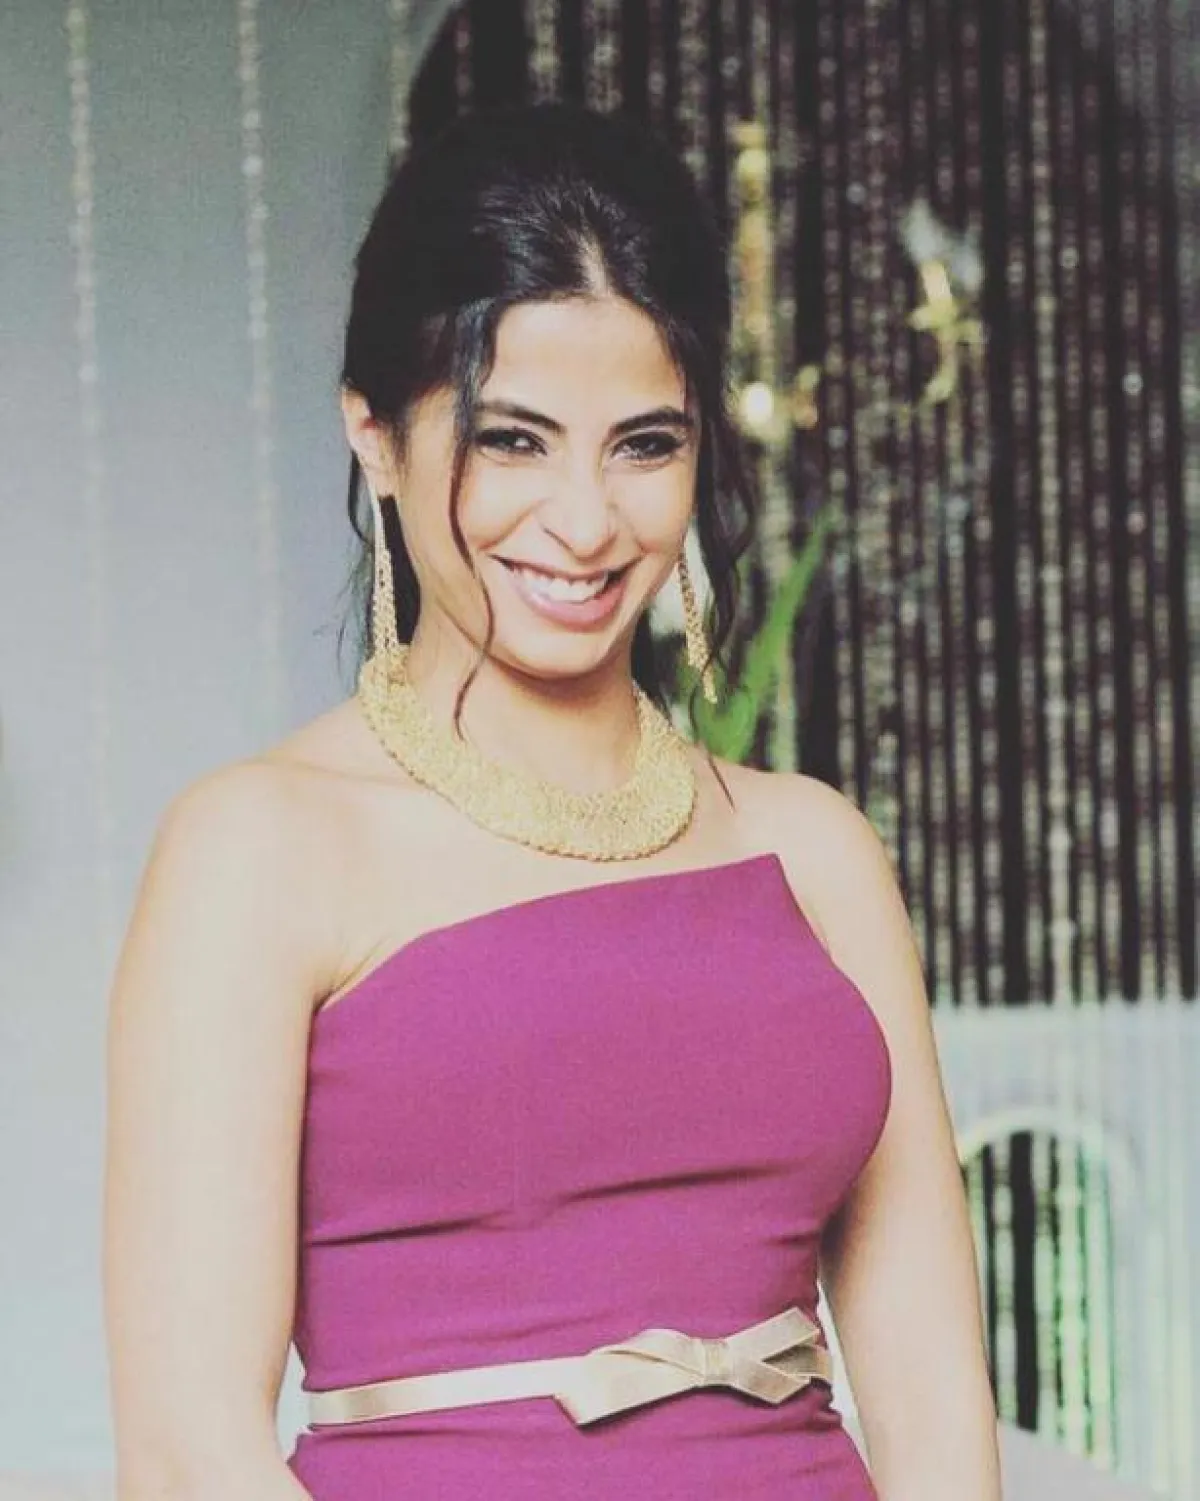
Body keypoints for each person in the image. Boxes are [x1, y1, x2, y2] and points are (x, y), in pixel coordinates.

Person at [102, 101, 1001, 1501]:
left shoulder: (815, 850)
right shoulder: (259, 847)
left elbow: (941, 1414)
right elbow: (185, 1450)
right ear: (375, 434)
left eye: (645, 444)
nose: (584, 522)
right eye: (513, 441)